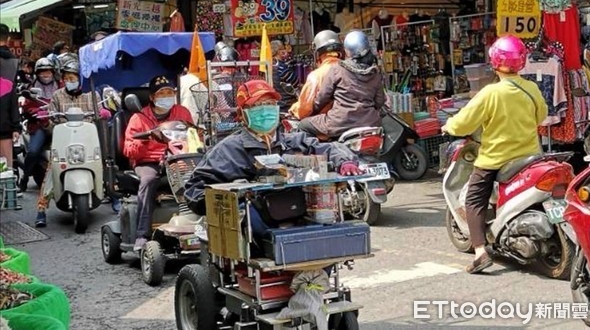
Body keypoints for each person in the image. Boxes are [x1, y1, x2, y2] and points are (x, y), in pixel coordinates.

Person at [441, 35, 548, 274]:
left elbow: (463, 123)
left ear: (495, 61)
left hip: (496, 160)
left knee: (474, 199)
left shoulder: (491, 93)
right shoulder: (531, 88)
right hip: (530, 157)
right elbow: (541, 117)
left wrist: (448, 126)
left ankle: (480, 252)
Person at [184, 79, 362, 215]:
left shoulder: (293, 141)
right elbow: (194, 192)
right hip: (253, 230)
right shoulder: (227, 151)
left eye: (270, 105)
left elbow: (330, 148)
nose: (265, 110)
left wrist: (345, 162)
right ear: (241, 114)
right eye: (258, 106)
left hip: (298, 216)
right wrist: (233, 195)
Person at [35, 59, 110, 227]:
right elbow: (51, 121)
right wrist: (45, 118)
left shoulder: (92, 95)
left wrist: (104, 113)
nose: (70, 81)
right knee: (51, 170)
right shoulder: (57, 95)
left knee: (103, 163)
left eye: (73, 78)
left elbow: (101, 112)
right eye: (67, 78)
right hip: (64, 141)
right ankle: (41, 209)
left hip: (87, 140)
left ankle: (113, 195)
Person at [123, 75, 192, 251]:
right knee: (148, 180)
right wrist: (145, 139)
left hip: (177, 158)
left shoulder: (182, 112)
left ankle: (196, 225)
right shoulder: (139, 117)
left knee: (198, 177)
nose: (167, 96)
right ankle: (142, 234)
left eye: (170, 92)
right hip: (149, 161)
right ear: (152, 97)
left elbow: (193, 136)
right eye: (162, 94)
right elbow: (128, 150)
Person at [299, 30, 384, 139]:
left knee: (303, 125)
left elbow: (322, 98)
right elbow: (379, 102)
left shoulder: (337, 69)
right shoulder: (375, 73)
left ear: (347, 51)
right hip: (370, 124)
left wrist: (314, 110)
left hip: (339, 123)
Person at [19, 58, 60, 192]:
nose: (46, 75)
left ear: (53, 72)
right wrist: (36, 112)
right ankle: (24, 177)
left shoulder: (61, 85)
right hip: (39, 125)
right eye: (42, 72)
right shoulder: (32, 88)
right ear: (37, 73)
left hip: (59, 123)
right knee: (34, 151)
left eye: (48, 71)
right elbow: (27, 107)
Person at [289, 30, 343, 119]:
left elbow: (304, 109)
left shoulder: (316, 76)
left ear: (317, 54)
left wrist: (294, 109)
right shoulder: (352, 69)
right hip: (358, 121)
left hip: (329, 123)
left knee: (302, 126)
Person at [0, 24, 20, 171]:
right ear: (7, 39)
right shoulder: (12, 61)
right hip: (5, 121)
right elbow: (13, 96)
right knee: (6, 168)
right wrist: (15, 125)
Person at [271, 40, 299, 113]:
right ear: (279, 51)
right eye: (283, 49)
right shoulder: (281, 67)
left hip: (277, 103)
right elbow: (295, 82)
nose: (285, 51)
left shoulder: (270, 65)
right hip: (286, 104)